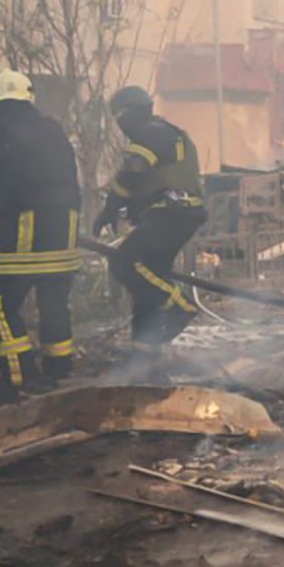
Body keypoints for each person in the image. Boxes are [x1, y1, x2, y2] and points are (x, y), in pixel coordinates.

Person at [0, 69, 81, 398]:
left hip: (26, 228)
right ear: (29, 98)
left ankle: (20, 378)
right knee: (54, 301)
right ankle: (59, 371)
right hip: (67, 227)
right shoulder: (54, 131)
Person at [92, 86, 208, 366]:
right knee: (148, 285)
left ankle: (180, 306)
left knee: (126, 263)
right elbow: (148, 181)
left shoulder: (150, 133)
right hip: (174, 213)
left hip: (172, 214)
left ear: (131, 112)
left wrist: (110, 208)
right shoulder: (163, 132)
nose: (118, 122)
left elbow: (131, 172)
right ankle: (145, 359)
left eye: (119, 114)